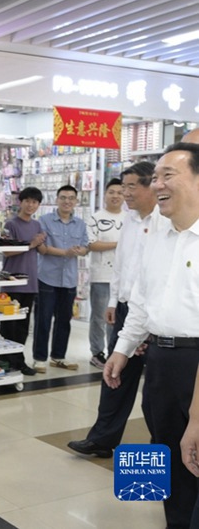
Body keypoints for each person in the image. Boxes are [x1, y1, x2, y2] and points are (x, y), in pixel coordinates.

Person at [105, 140, 199, 528]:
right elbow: (141, 302)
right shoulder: (157, 236)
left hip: (196, 364)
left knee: (195, 450)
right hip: (159, 359)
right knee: (165, 452)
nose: (156, 184)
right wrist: (123, 349)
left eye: (168, 175)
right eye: (155, 176)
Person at [67, 162, 159, 459]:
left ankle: (162, 453)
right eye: (122, 187)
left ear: (151, 186)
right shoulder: (130, 221)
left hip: (154, 317)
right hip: (125, 308)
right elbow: (122, 264)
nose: (125, 194)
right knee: (114, 374)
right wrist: (113, 301)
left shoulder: (165, 221)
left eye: (132, 187)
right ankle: (103, 439)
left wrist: (145, 328)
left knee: (156, 395)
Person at [32, 184, 89, 373]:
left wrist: (80, 250)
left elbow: (85, 246)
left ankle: (58, 356)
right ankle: (39, 358)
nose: (67, 201)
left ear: (76, 201)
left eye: (71, 198)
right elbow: (42, 248)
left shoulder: (80, 224)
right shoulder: (44, 221)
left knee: (64, 321)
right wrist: (65, 252)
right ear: (57, 199)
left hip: (70, 279)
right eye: (63, 197)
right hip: (47, 277)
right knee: (44, 320)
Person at [0, 187, 46, 375]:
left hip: (30, 283)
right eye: (27, 201)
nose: (30, 205)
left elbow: (42, 250)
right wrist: (31, 244)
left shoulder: (37, 226)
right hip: (12, 282)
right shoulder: (11, 225)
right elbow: (7, 250)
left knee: (23, 326)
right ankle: (5, 359)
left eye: (35, 202)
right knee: (8, 325)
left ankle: (18, 359)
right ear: (21, 202)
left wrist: (41, 243)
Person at [86, 178, 124, 369]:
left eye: (120, 192)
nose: (116, 196)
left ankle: (114, 351)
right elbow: (92, 244)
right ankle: (97, 352)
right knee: (100, 316)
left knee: (118, 317)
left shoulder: (130, 218)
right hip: (101, 275)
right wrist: (120, 244)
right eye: (112, 192)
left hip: (124, 277)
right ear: (105, 195)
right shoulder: (96, 217)